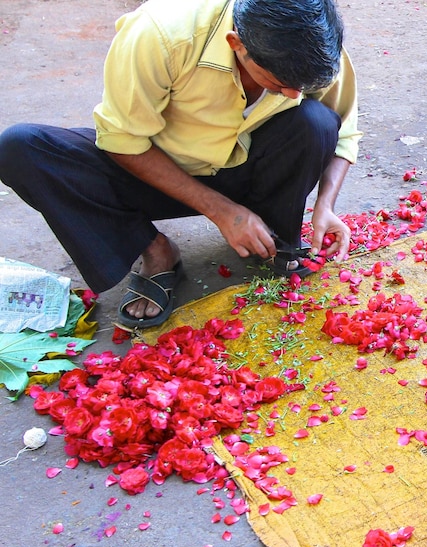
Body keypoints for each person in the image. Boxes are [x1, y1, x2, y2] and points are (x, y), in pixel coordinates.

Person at [0, 0, 361, 330]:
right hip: (158, 173)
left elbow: (343, 130)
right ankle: (157, 250)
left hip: (248, 168)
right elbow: (123, 142)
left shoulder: (316, 44)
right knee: (19, 148)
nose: (293, 95)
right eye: (279, 85)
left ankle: (272, 235)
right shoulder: (159, 34)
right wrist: (222, 212)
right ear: (237, 44)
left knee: (315, 122)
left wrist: (324, 206)